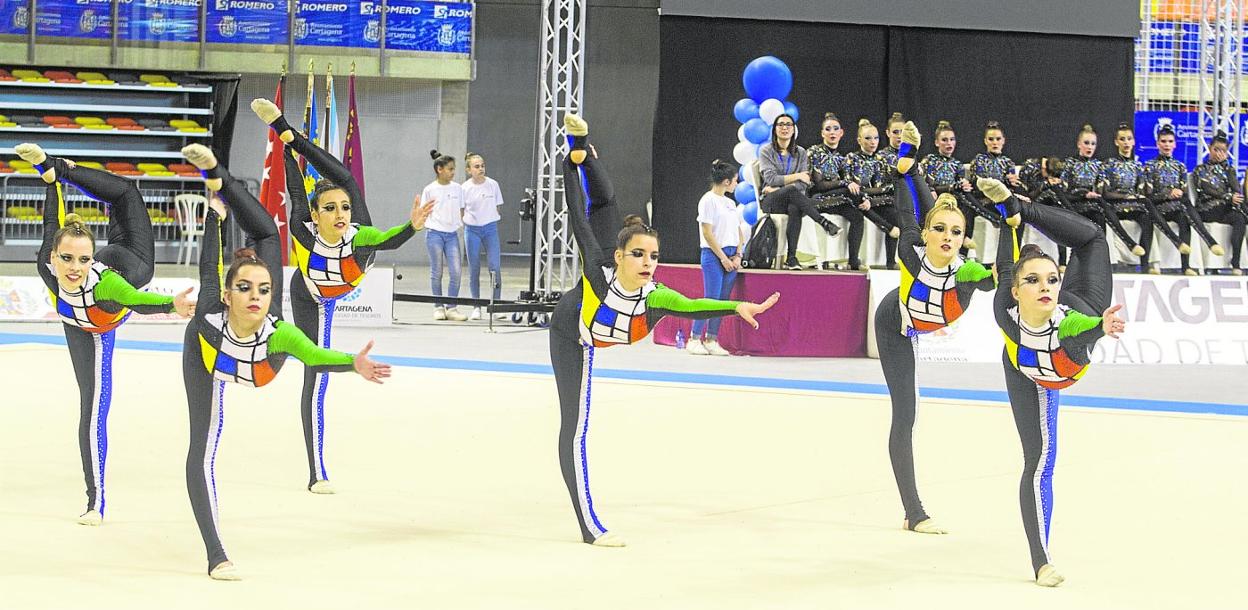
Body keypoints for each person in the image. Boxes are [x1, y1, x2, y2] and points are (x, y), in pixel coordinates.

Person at [550, 114, 779, 546]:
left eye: (653, 256)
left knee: (608, 203)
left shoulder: (656, 296)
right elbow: (578, 217)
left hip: (609, 317)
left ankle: (585, 151)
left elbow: (693, 306)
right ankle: (589, 528)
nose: (648, 263)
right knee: (575, 427)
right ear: (621, 257)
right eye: (638, 254)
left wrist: (736, 305)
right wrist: (569, 165)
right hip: (572, 331)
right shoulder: (599, 272)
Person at [178, 144, 393, 580]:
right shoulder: (208, 317)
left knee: (267, 239)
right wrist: (214, 218)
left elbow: (315, 355)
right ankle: (216, 553)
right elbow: (209, 263)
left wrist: (353, 363)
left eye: (263, 290)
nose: (255, 296)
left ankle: (218, 176)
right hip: (208, 361)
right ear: (228, 295)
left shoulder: (278, 333)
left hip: (259, 364)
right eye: (244, 289)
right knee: (201, 448)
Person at [251, 98, 428, 493]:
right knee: (314, 373)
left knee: (345, 178)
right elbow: (295, 190)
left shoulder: (359, 235)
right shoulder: (304, 229)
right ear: (316, 216)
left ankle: (287, 130)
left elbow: (389, 240)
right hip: (308, 294)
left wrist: (412, 226)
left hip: (342, 279)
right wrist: (284, 150)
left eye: (344, 207)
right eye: (330, 209)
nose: (341, 214)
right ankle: (316, 471)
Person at [16, 143, 194, 526]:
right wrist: (49, 183)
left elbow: (138, 300)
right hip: (82, 324)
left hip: (132, 260)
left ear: (91, 259)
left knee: (126, 192)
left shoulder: (107, 285)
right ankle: (95, 500)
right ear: (53, 258)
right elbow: (51, 225)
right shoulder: (48, 266)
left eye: (83, 259)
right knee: (92, 406)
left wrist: (170, 305)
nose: (75, 268)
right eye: (66, 258)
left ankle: (61, 166)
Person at [981, 176, 1127, 587]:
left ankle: (1021, 207)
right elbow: (1006, 265)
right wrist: (1007, 222)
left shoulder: (1071, 324)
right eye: (1033, 281)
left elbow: (1082, 330)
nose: (1045, 286)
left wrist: (1102, 326)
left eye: (1050, 279)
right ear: (1015, 292)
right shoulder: (1004, 308)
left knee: (1092, 238)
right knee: (1040, 461)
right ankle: (1041, 561)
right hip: (1024, 365)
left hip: (1079, 321)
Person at [876, 123, 994, 535]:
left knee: (928, 199)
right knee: (906, 415)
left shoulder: (967, 272)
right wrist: (904, 165)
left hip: (922, 315)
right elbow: (907, 209)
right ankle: (914, 512)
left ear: (965, 239)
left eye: (957, 232)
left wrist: (1013, 222)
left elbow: (999, 280)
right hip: (895, 323)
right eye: (940, 230)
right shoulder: (911, 248)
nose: (947, 237)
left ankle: (913, 164)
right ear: (927, 235)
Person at [757, 113, 841, 270]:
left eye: (788, 124)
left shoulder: (801, 152)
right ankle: (824, 223)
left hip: (792, 199)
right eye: (781, 124)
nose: (784, 128)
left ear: (793, 129)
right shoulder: (766, 151)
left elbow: (804, 183)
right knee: (792, 192)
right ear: (774, 129)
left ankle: (791, 258)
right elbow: (771, 179)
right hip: (771, 201)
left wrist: (783, 186)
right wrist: (796, 176)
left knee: (795, 206)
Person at [1058, 124, 1146, 268]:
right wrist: (1083, 193)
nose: (1090, 147)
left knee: (1100, 214)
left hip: (1091, 204)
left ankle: (1099, 260)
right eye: (1086, 143)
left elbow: (1099, 192)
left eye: (1093, 144)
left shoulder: (1098, 165)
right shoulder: (1070, 164)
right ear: (1079, 144)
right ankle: (1128, 242)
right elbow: (1063, 192)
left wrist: (1093, 195)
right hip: (1072, 203)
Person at [808, 112, 884, 270]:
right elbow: (819, 185)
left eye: (836, 129)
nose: (832, 132)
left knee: (857, 217)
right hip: (816, 200)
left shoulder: (841, 158)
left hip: (837, 200)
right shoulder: (815, 152)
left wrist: (855, 190)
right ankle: (885, 225)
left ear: (841, 133)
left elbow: (850, 184)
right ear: (822, 133)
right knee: (848, 191)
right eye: (828, 129)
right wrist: (846, 183)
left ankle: (853, 261)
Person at [1143, 124, 1220, 275]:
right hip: (1157, 208)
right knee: (1184, 206)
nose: (1167, 145)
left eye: (1170, 141)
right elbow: (1149, 196)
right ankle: (1209, 240)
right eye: (1163, 141)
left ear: (1175, 144)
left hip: (1176, 207)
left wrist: (1177, 194)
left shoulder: (1180, 166)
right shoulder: (1149, 166)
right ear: (1157, 144)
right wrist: (1167, 194)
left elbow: (1183, 193)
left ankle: (1186, 266)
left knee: (1185, 217)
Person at [687, 159, 746, 356]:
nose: (737, 184)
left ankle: (712, 339)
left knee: (722, 300)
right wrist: (722, 258)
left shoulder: (730, 203)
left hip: (732, 254)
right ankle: (694, 338)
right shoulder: (708, 200)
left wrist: (738, 254)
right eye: (735, 180)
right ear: (727, 182)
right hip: (714, 254)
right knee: (710, 297)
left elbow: (738, 231)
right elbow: (707, 232)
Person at [919, 120, 996, 255]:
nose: (949, 143)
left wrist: (964, 185)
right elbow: (926, 183)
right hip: (935, 197)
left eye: (952, 140)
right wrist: (946, 187)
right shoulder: (930, 160)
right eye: (944, 140)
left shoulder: (957, 164)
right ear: (937, 142)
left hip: (954, 199)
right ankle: (990, 218)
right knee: (963, 197)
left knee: (966, 202)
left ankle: (963, 247)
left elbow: (960, 183)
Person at [845, 118, 902, 268]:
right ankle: (887, 228)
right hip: (855, 199)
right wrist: (864, 195)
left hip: (874, 200)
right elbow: (848, 183)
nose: (873, 142)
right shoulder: (851, 158)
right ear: (859, 140)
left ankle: (891, 261)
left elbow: (884, 187)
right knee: (855, 195)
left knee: (894, 211)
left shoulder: (880, 160)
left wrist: (871, 198)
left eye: (876, 138)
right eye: (868, 138)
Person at [1101, 123, 1156, 272]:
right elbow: (1105, 193)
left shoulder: (1138, 166)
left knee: (1147, 219)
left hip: (1134, 205)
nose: (1126, 143)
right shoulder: (1109, 164)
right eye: (1122, 139)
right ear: (1116, 142)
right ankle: (1124, 252)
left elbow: (1142, 191)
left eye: (1129, 139)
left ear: (1134, 141)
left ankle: (1145, 264)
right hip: (1115, 206)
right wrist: (1126, 196)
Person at [1193, 130, 1247, 275]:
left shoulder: (1228, 169)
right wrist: (1228, 197)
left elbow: (1237, 190)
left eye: (1223, 151)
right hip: (1207, 208)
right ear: (1210, 148)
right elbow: (1207, 188)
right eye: (1216, 149)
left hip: (1225, 209)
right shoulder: (1200, 169)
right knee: (1239, 209)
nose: (1219, 153)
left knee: (1240, 218)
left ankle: (1236, 262)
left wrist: (1226, 166)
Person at [423, 151, 470, 317]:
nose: (453, 172)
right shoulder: (429, 189)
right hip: (434, 233)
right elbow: (424, 211)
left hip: (452, 235)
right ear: (439, 169)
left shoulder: (457, 188)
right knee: (437, 272)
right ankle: (438, 306)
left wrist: (459, 224)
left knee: (456, 272)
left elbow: (461, 209)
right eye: (450, 169)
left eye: (454, 169)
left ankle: (452, 307)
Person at [462, 153, 506, 320]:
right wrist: (469, 222)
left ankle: (496, 304)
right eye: (476, 166)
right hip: (472, 230)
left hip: (490, 229)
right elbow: (461, 210)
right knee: (474, 268)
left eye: (482, 166)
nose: (481, 169)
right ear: (469, 170)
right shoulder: (464, 188)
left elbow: (498, 206)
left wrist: (489, 219)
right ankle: (476, 306)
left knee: (494, 267)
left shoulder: (493, 185)